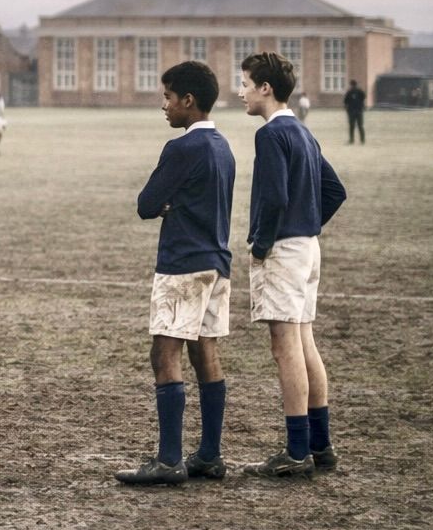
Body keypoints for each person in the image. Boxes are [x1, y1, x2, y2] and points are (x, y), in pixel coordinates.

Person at [116, 61, 235, 485]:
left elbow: (147, 204)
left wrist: (169, 205)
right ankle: (209, 454)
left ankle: (169, 460)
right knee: (206, 352)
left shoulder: (182, 148)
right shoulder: (223, 146)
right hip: (217, 264)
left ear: (188, 100)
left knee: (164, 354)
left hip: (182, 264)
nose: (163, 106)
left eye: (167, 97)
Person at [238, 52, 347, 477]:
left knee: (285, 349)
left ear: (266, 88)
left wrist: (262, 246)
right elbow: (335, 190)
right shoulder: (302, 131)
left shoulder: (269, 136)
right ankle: (321, 447)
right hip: (308, 248)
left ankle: (297, 451)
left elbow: (275, 197)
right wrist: (307, 225)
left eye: (246, 84)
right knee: (305, 343)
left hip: (284, 251)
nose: (242, 92)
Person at [343, 79, 366, 144]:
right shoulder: (360, 91)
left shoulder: (349, 92)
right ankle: (362, 140)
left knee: (352, 126)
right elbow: (364, 97)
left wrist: (347, 109)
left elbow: (345, 101)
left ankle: (351, 140)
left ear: (351, 85)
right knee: (360, 126)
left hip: (351, 112)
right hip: (359, 111)